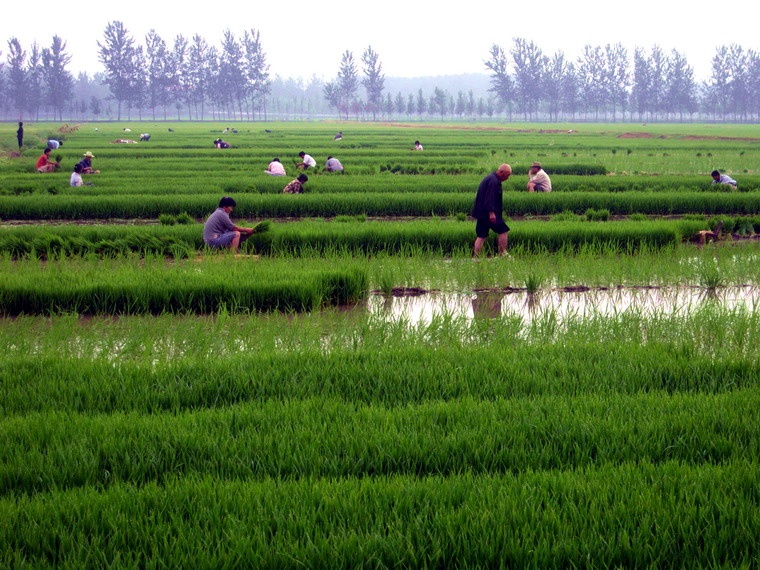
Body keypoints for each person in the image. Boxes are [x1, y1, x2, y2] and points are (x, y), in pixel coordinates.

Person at [472, 164, 512, 256]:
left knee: (481, 235)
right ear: (501, 172)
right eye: (507, 175)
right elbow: (489, 198)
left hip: (481, 213)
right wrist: (491, 213)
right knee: (503, 230)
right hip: (488, 214)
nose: (507, 178)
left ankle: (476, 257)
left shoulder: (490, 178)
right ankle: (503, 254)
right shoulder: (494, 181)